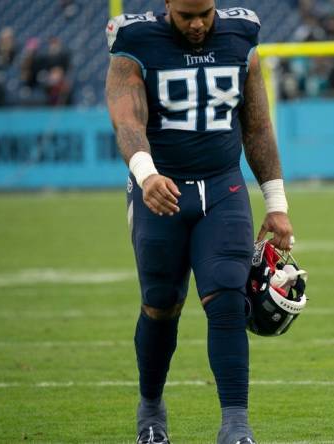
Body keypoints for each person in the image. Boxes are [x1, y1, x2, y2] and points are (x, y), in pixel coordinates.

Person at [104, 1, 294, 443]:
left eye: (204, 13)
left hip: (223, 189)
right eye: (186, 15)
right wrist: (145, 174)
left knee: (227, 294)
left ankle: (236, 426)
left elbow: (258, 126)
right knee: (160, 303)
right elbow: (127, 118)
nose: (196, 24)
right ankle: (150, 409)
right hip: (161, 190)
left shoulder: (241, 35)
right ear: (167, 5)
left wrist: (277, 202)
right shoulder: (135, 39)